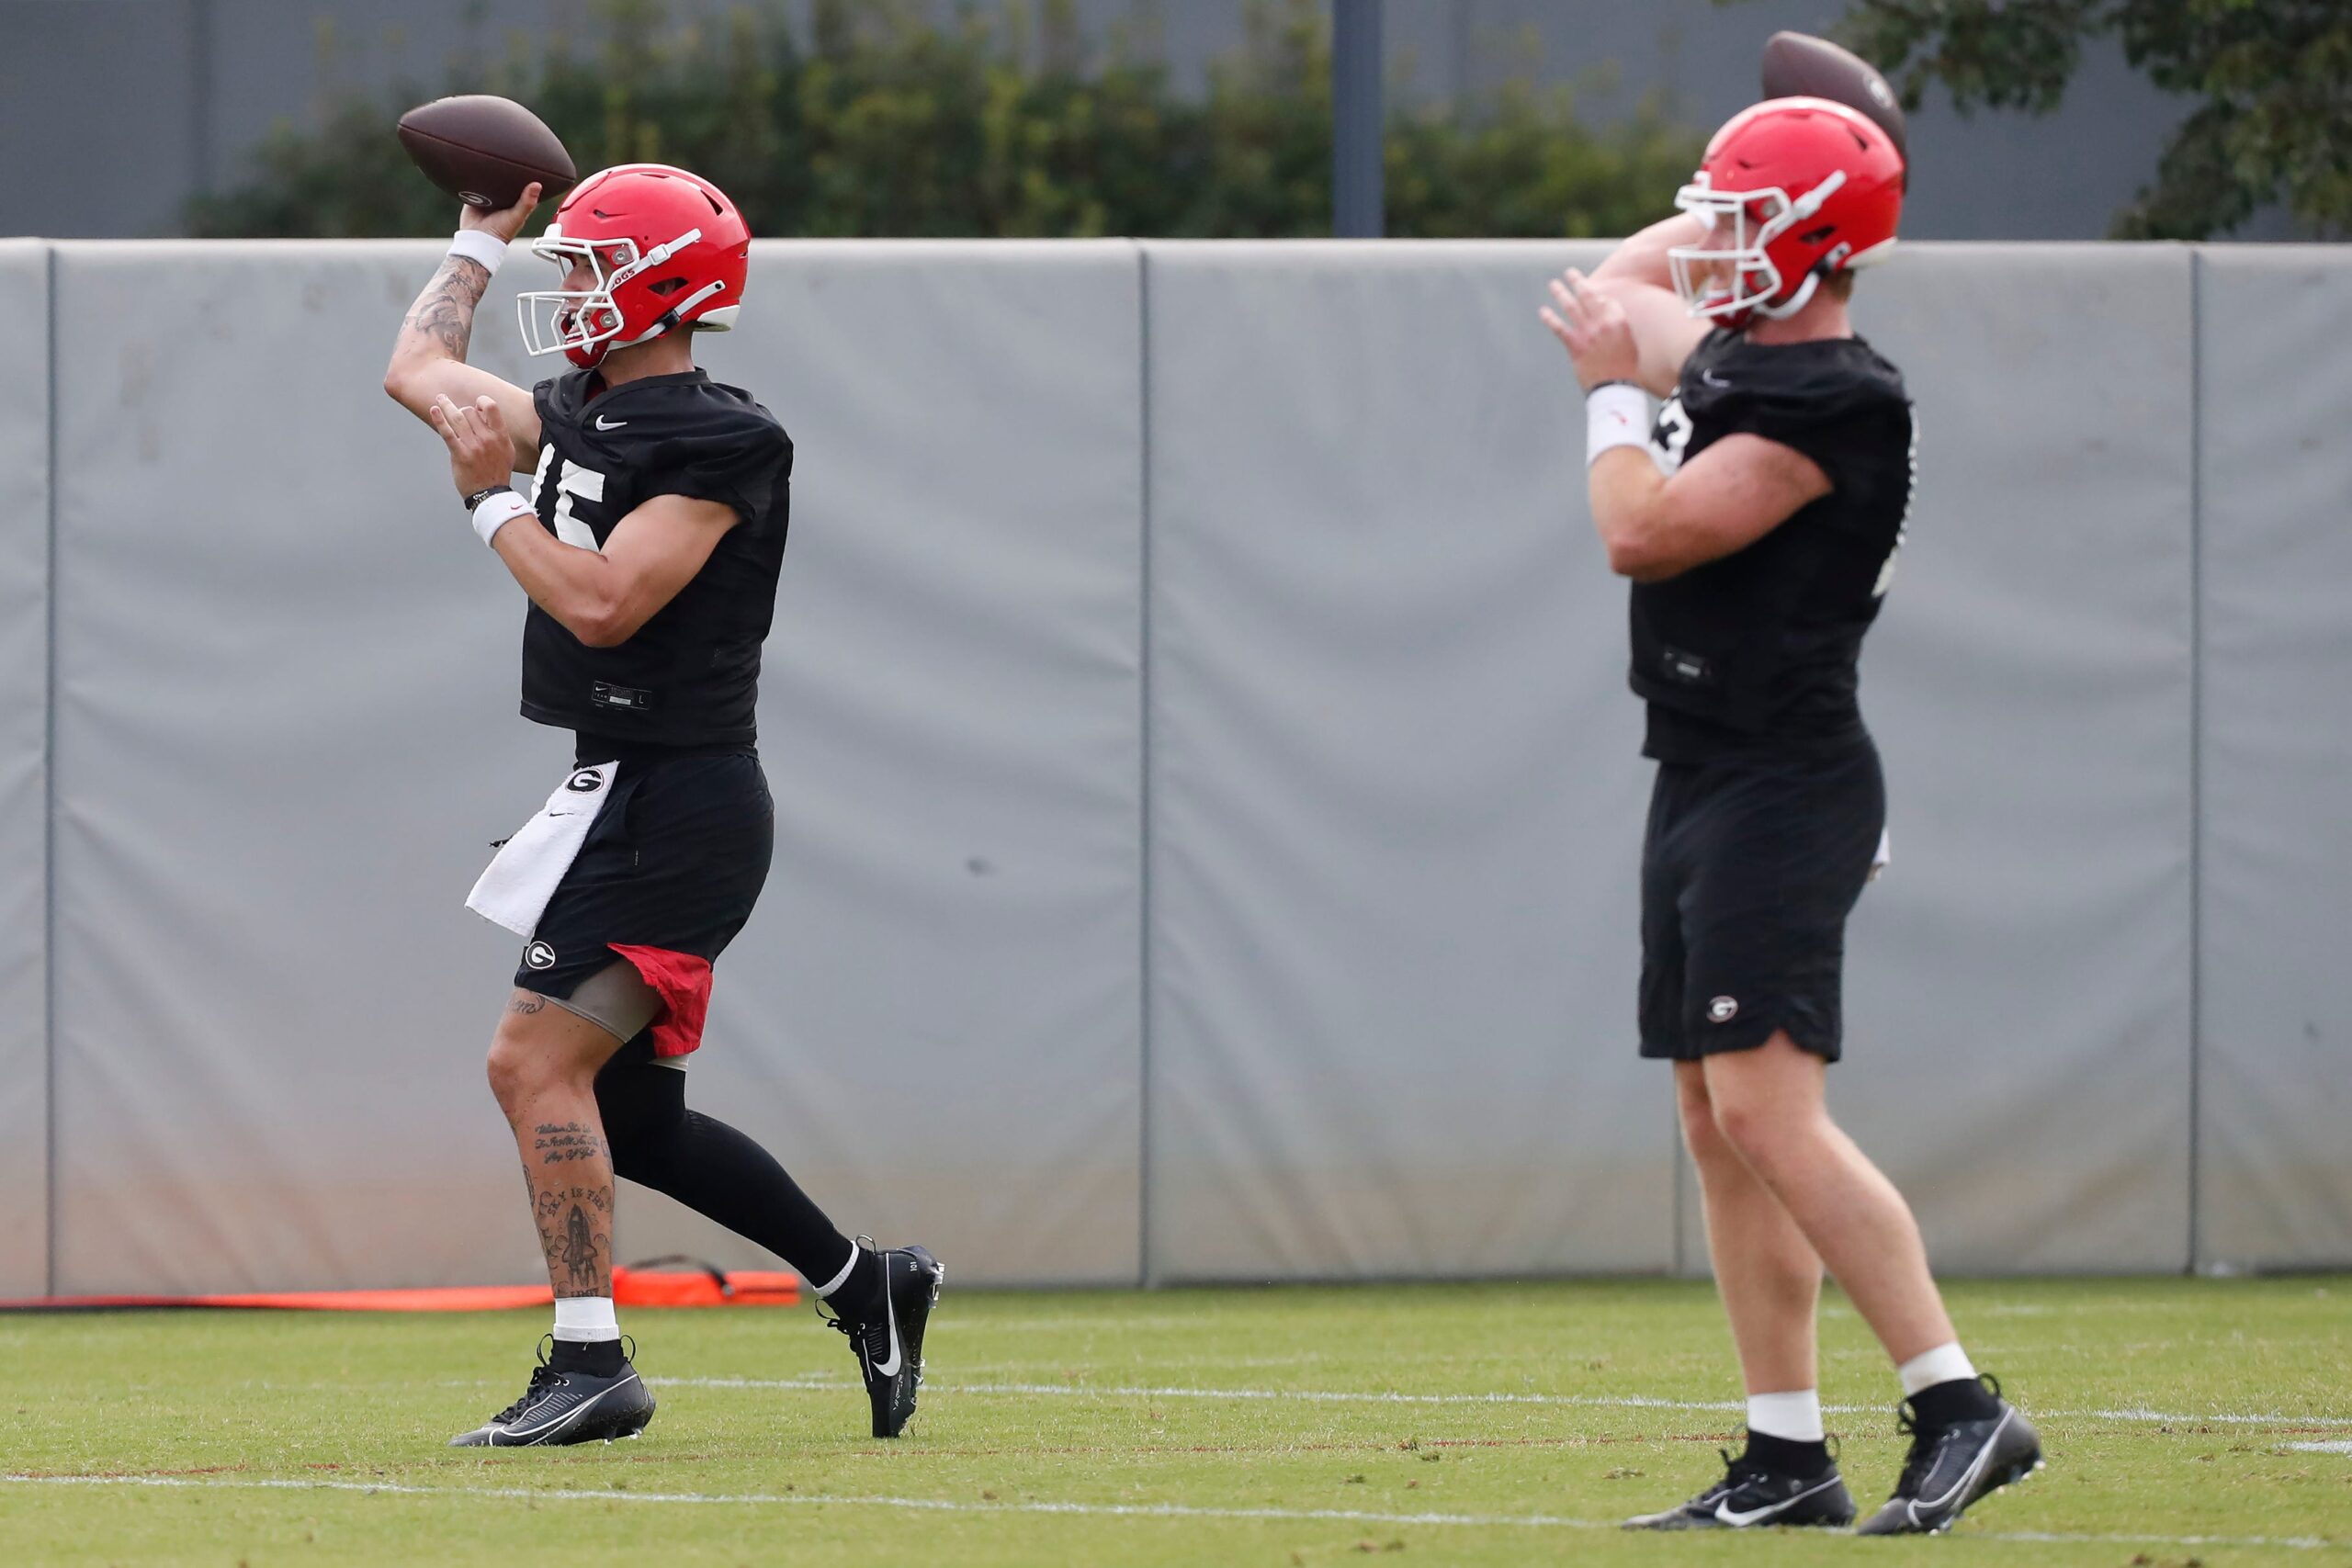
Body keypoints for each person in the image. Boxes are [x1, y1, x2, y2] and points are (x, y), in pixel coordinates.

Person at [1539, 97, 2041, 1534]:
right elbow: (1631, 279)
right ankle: (1786, 1453)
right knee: (1715, 1117)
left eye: (1747, 226)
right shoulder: (1754, 351)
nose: (1713, 248)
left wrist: (1610, 397)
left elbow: (1642, 530)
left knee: (1765, 1102)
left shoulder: (1839, 398)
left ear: (1811, 246)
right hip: (1702, 767)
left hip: (1788, 776)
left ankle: (1960, 1403)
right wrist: (1750, 195)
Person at [382, 163, 942, 1448]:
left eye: (586, 268)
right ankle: (871, 1282)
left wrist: (487, 503)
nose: (567, 289)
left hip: (683, 802)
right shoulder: (578, 405)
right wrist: (474, 240)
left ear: (662, 289)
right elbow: (416, 372)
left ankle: (594, 1364)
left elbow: (600, 600)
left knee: (531, 1063)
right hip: (617, 789)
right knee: (630, 1122)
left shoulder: (723, 438)